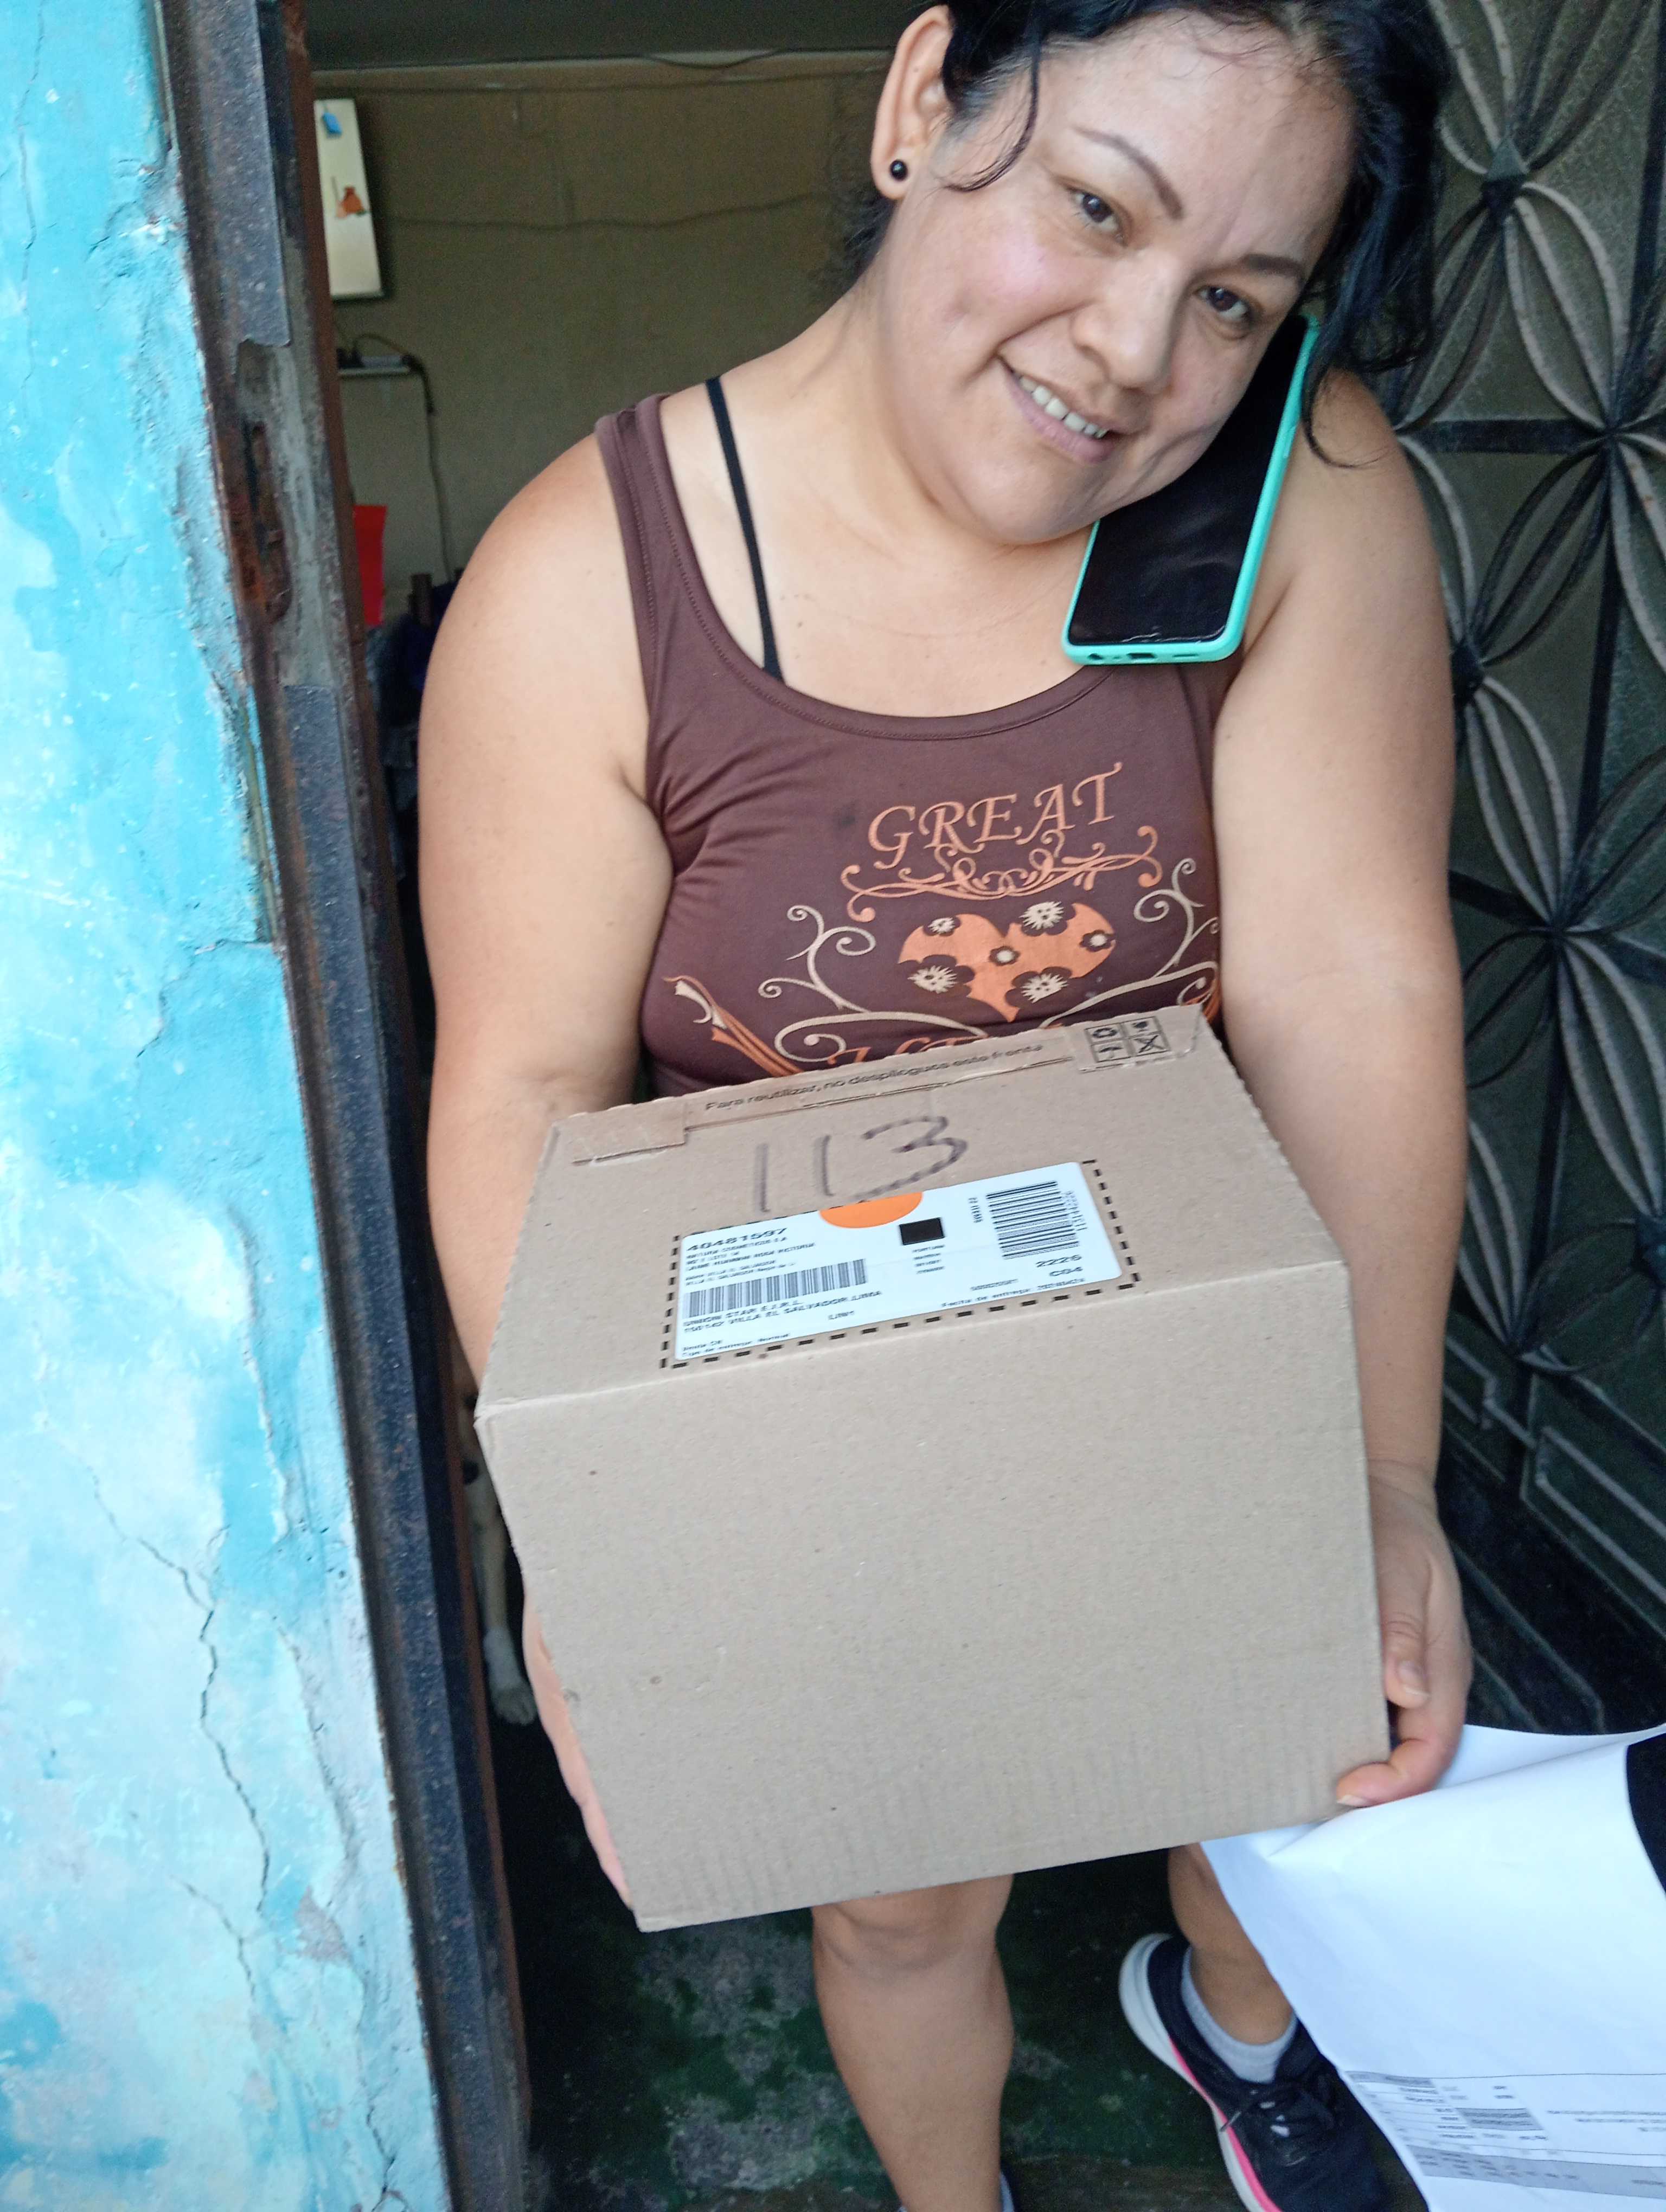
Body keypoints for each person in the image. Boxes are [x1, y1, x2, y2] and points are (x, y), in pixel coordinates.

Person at [420, 4, 1472, 2207]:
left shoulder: (1299, 492)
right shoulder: (586, 580)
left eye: (1236, 301)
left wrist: (1379, 1477)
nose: (1136, 355)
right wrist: (617, 1559)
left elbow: (1350, 988)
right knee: (904, 1897)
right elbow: (522, 1093)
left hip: (1194, 1337)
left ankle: (1238, 2039)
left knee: (1289, 1784)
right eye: (1095, 208)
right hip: (814, 1410)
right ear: (926, 106)